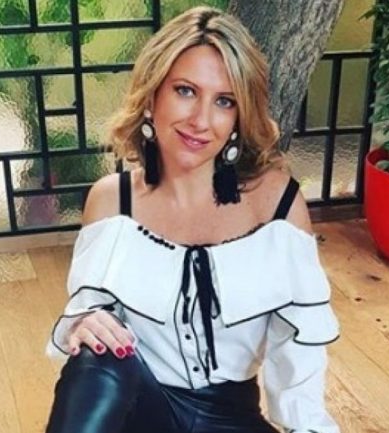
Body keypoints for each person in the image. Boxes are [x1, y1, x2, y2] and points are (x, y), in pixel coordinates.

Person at [45, 6, 340, 433]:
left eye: (224, 101)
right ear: (152, 97)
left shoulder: (276, 204)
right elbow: (90, 328)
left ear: (238, 118)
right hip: (140, 413)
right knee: (99, 354)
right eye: (185, 91)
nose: (201, 121)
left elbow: (299, 355)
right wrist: (85, 322)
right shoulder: (111, 202)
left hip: (230, 418)